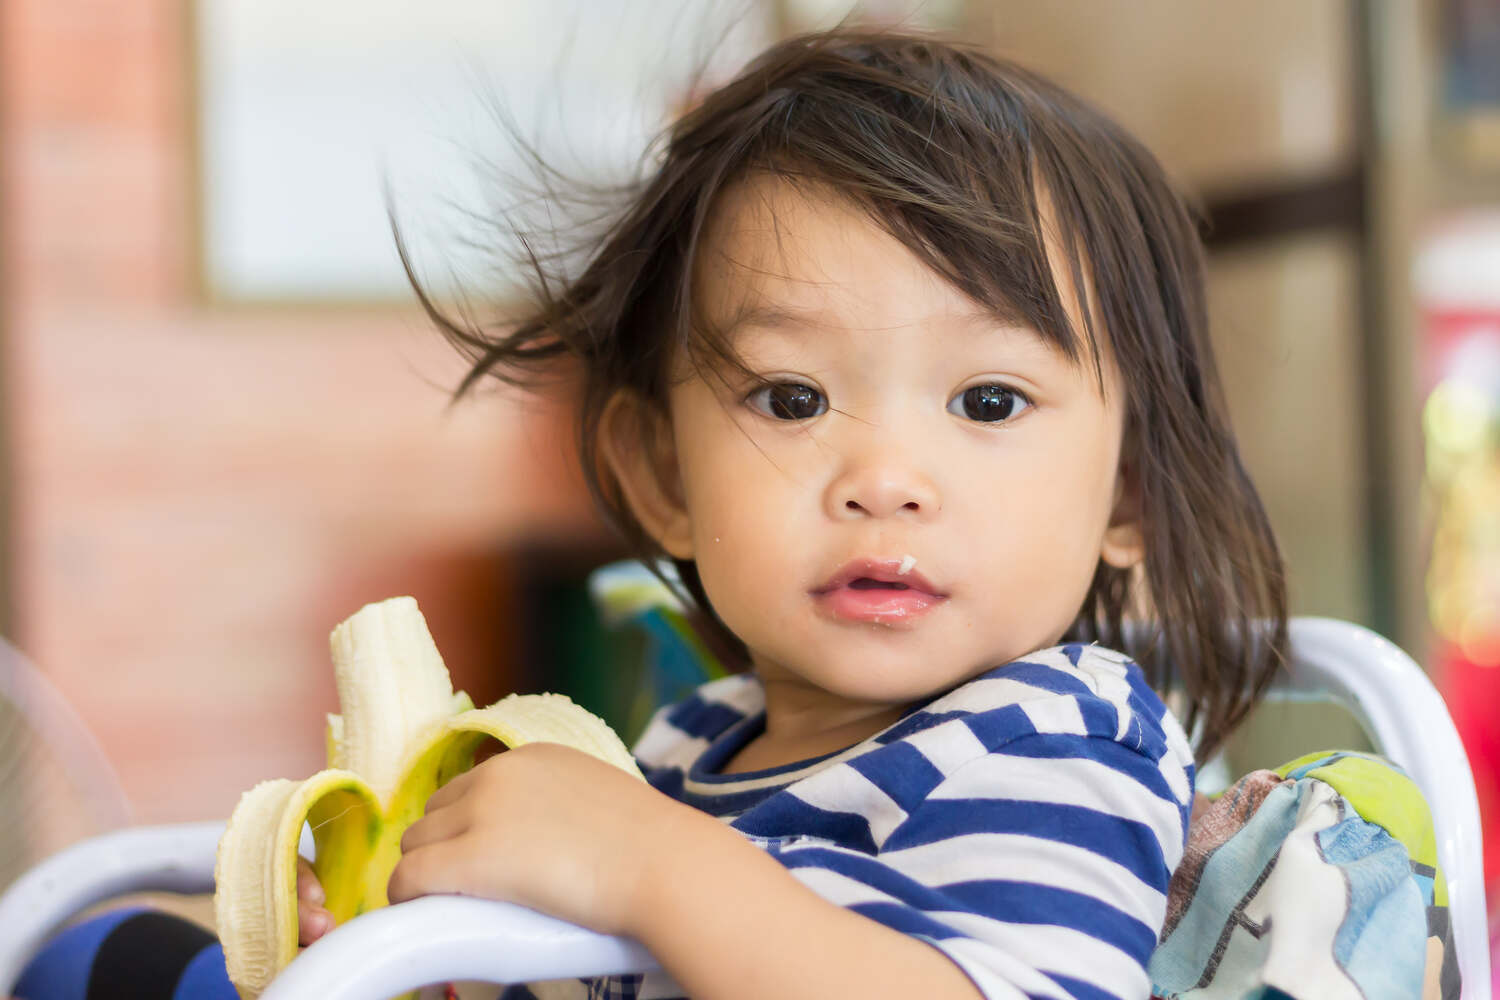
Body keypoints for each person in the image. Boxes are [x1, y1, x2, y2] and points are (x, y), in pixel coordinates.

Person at [16, 26, 1288, 1000]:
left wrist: (646, 865)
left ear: (1128, 494)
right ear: (662, 476)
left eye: (991, 400)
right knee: (95, 956)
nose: (886, 475)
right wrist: (428, 942)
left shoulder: (1057, 736)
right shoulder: (695, 743)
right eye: (793, 397)